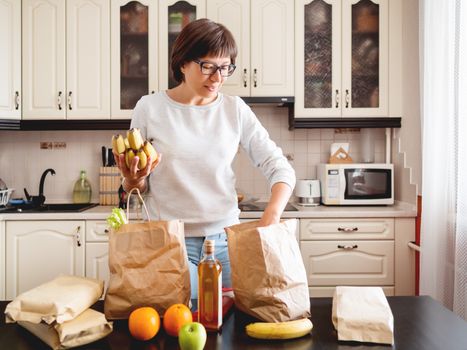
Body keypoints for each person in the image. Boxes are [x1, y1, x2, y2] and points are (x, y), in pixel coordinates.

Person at [114, 18, 295, 298]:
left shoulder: (235, 110)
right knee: (185, 326)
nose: (218, 78)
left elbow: (280, 167)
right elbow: (138, 189)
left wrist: (271, 215)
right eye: (208, 66)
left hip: (226, 243)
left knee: (229, 329)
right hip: (169, 243)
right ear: (183, 62)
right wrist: (132, 179)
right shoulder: (149, 108)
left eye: (225, 68)